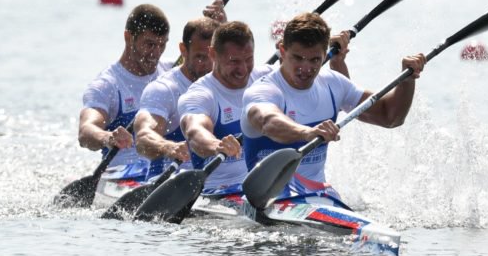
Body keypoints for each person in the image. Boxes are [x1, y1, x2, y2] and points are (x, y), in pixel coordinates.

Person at [240, 12, 425, 202]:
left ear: (323, 55)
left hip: (319, 195)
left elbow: (390, 117)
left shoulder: (333, 84)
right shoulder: (264, 90)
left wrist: (408, 81)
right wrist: (307, 133)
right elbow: (268, 122)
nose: (306, 68)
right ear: (282, 51)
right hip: (268, 195)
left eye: (315, 60)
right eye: (297, 58)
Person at [178, 20, 351, 197]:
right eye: (234, 61)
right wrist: (216, 145)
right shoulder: (201, 95)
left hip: (262, 188)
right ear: (213, 54)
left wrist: (335, 60)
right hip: (218, 193)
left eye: (248, 59)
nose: (243, 70)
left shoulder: (265, 77)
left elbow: (334, 93)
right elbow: (195, 132)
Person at [78, 0, 225, 185]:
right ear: (128, 37)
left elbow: (200, 60)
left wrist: (219, 29)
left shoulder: (170, 70)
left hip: (163, 173)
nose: (156, 53)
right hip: (123, 176)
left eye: (162, 45)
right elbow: (85, 131)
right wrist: (107, 137)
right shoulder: (108, 85)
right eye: (149, 44)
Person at [133, 16, 222, 179]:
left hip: (213, 183)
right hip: (168, 183)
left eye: (212, 57)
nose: (208, 65)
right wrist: (167, 147)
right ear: (183, 50)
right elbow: (143, 137)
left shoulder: (227, 83)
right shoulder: (163, 90)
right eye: (200, 57)